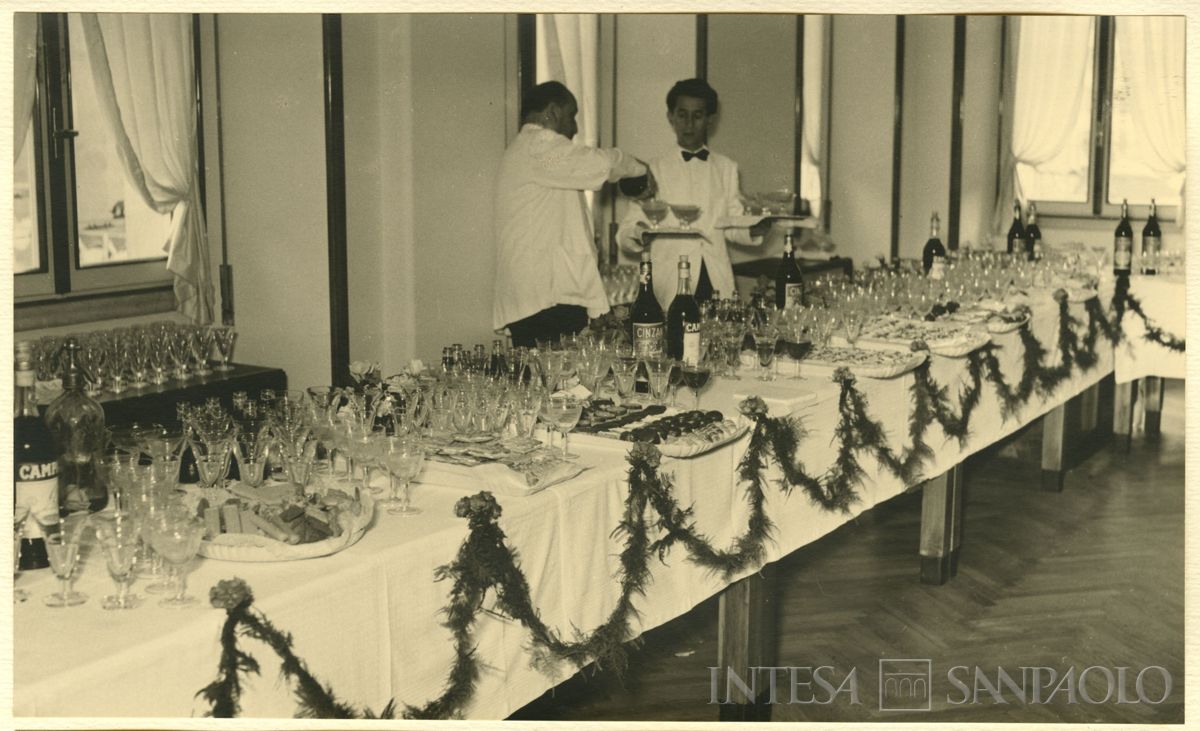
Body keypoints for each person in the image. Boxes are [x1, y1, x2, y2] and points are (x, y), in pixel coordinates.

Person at [494, 81, 651, 348]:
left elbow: (572, 230)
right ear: (552, 113)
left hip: (542, 296)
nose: (575, 128)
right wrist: (640, 168)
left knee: (552, 384)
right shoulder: (538, 145)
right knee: (558, 383)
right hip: (545, 298)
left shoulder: (527, 151)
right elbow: (602, 162)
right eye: (572, 116)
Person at [617, 78, 771, 310]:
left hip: (715, 278)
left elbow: (730, 225)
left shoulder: (726, 167)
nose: (689, 124)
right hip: (669, 282)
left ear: (710, 120)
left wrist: (754, 228)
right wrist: (641, 235)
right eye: (682, 115)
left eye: (697, 116)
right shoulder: (652, 170)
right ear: (671, 117)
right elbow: (625, 234)